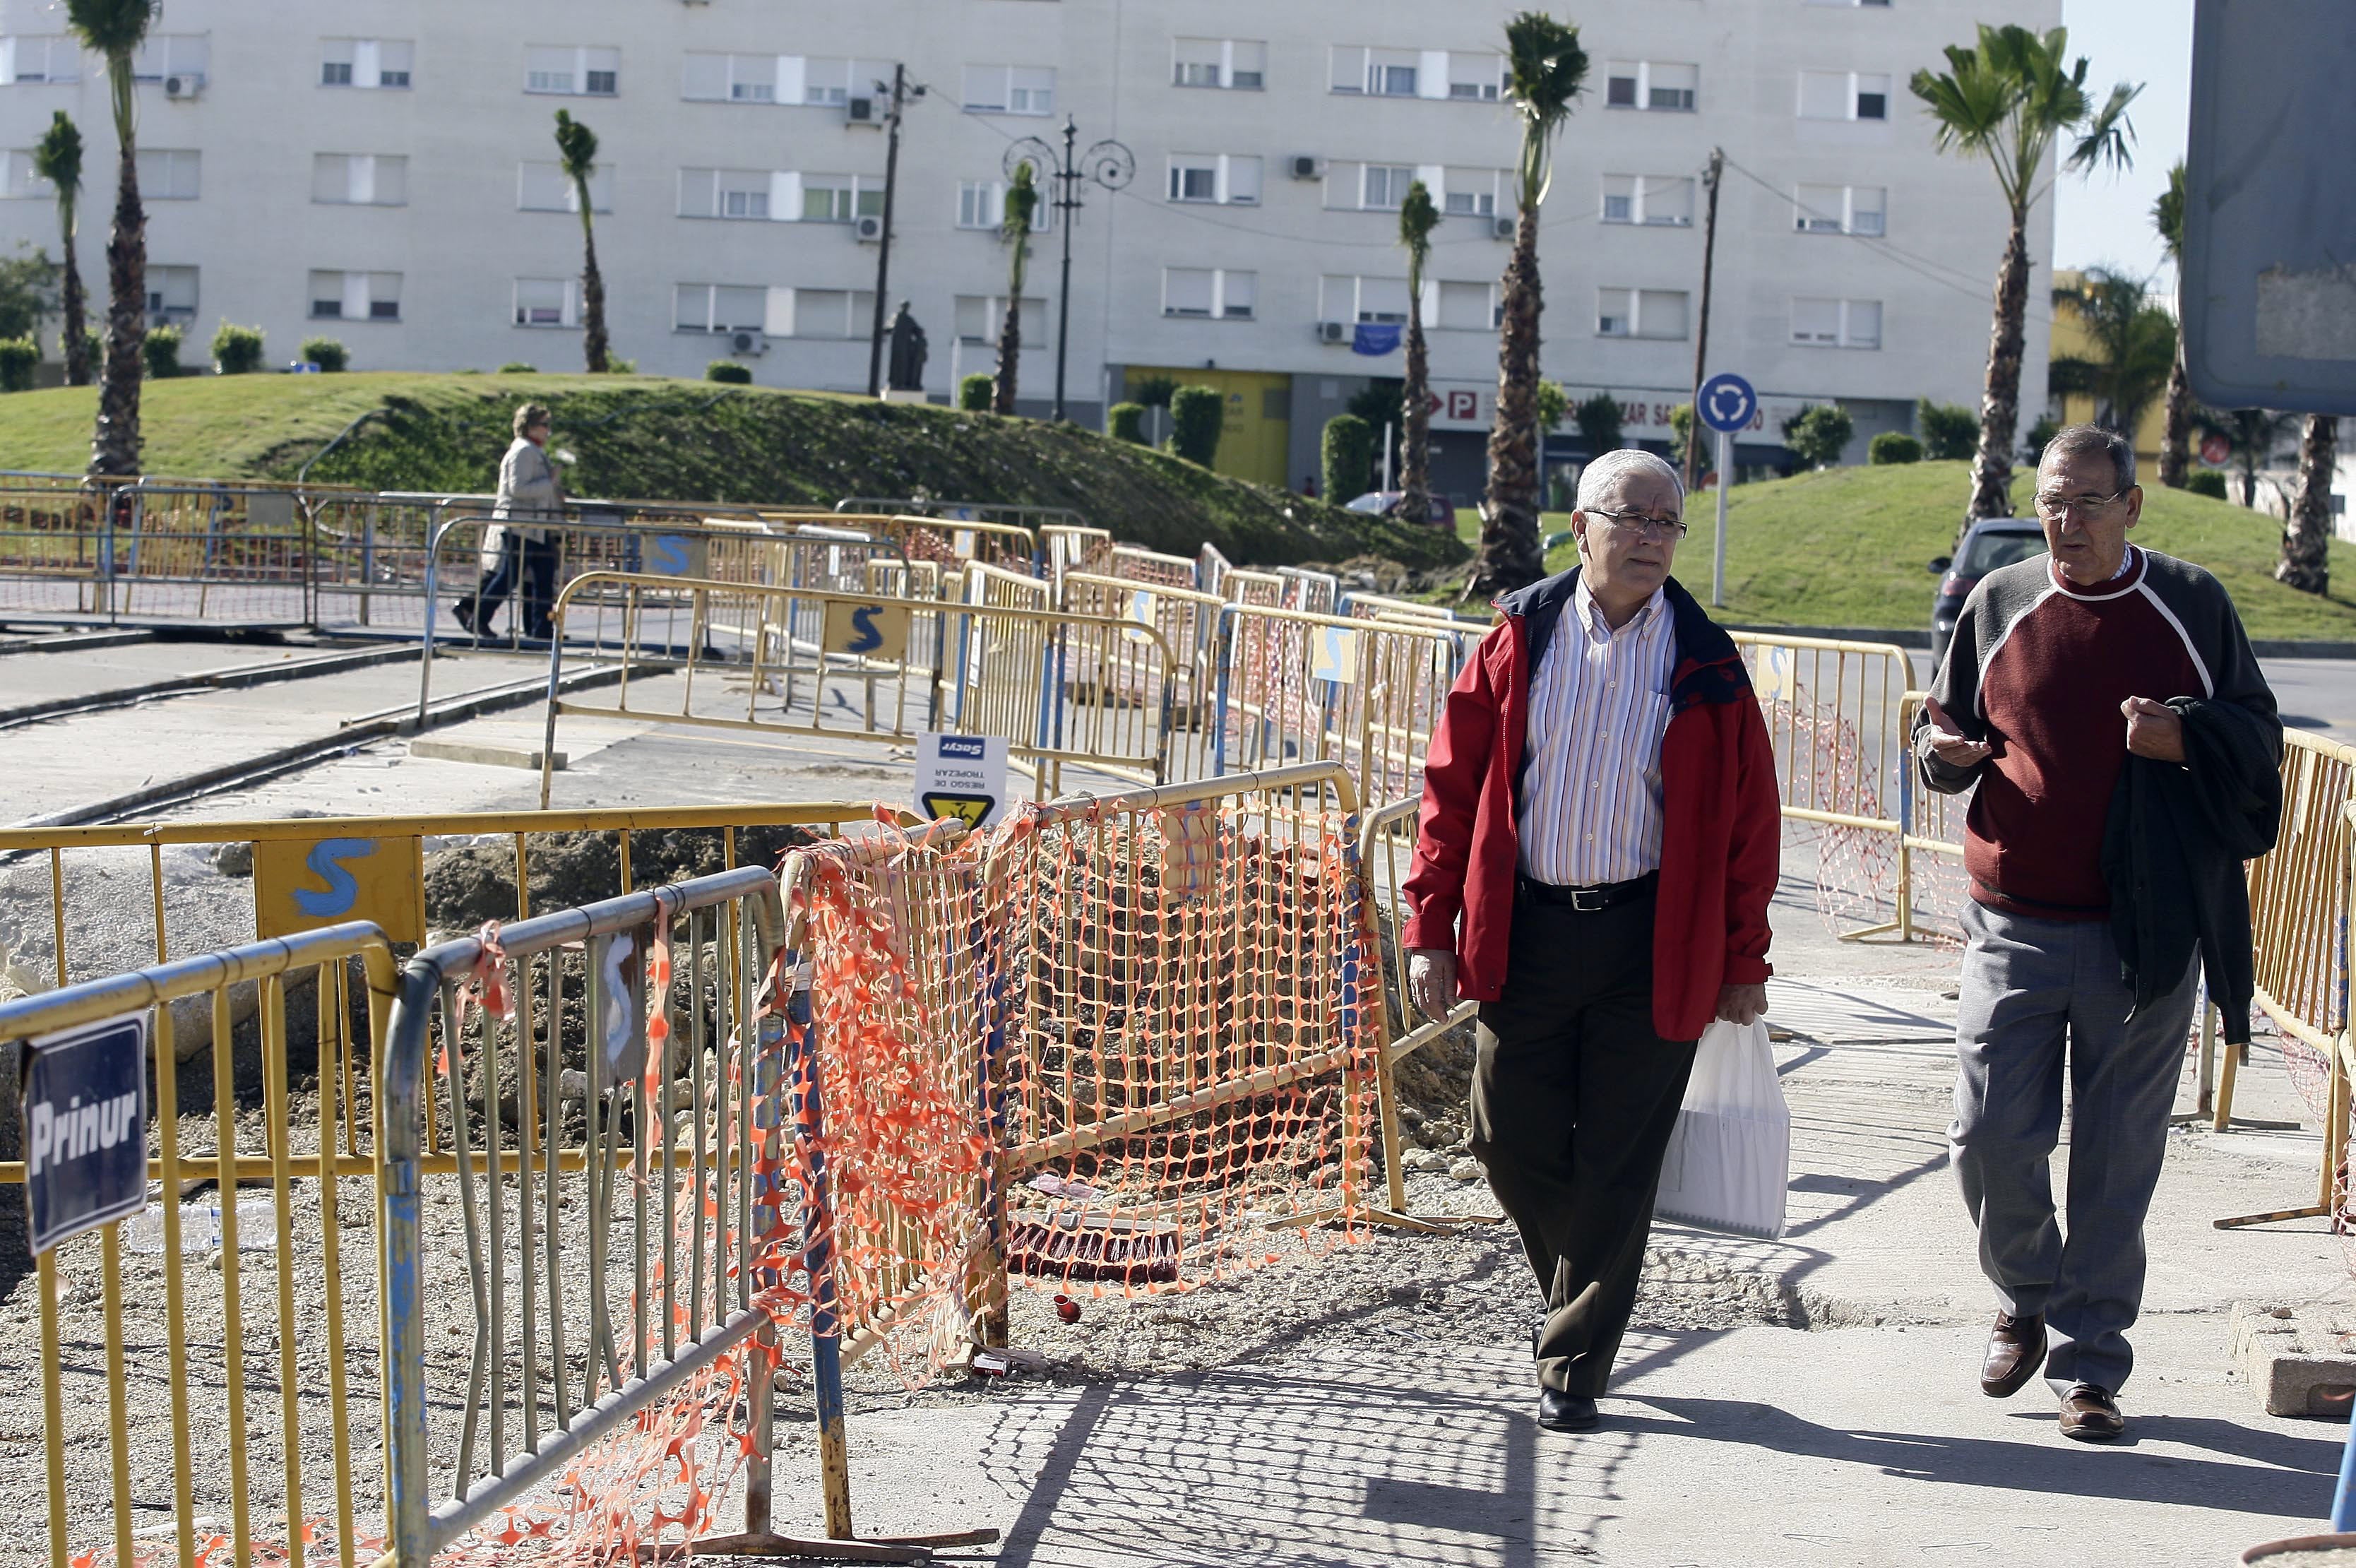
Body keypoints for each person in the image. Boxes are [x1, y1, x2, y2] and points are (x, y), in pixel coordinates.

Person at [1402, 448, 1780, 1433]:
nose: (1653, 537)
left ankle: (1572, 1362)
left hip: (1652, 941)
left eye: (1667, 522)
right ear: (1580, 528)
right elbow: (1450, 792)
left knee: (1619, 1158)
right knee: (1505, 1137)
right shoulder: (1518, 636)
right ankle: (1585, 1284)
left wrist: (1744, 960)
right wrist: (1429, 927)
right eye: (1633, 517)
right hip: (1526, 929)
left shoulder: (1705, 658)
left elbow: (1750, 823)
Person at [1915, 423, 2280, 1442]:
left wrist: (2185, 737)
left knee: (2116, 1162)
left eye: (2087, 501)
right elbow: (1941, 731)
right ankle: (2024, 1296)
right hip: (2013, 922)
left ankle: (2091, 1366)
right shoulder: (2000, 600)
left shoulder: (2193, 603)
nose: (2066, 520)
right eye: (2052, 501)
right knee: (1987, 1138)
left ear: (2131, 506)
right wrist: (1943, 756)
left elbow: (2258, 739)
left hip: (2146, 935)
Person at [456, 402, 565, 641]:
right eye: (544, 424)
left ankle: (542, 628)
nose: (548, 430)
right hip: (520, 524)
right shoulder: (523, 452)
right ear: (530, 426)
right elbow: (518, 489)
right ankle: (479, 616)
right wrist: (550, 482)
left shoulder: (533, 451)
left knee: (542, 575)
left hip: (535, 525)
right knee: (511, 575)